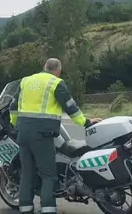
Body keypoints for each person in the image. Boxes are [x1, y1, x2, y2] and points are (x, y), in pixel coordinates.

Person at [9, 58, 101, 214]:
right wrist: (86, 122)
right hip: (42, 135)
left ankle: (25, 209)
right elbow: (71, 107)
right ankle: (48, 210)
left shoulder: (26, 81)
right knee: (48, 175)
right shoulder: (56, 83)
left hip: (23, 134)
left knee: (27, 175)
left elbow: (13, 106)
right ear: (58, 70)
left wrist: (15, 123)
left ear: (44, 67)